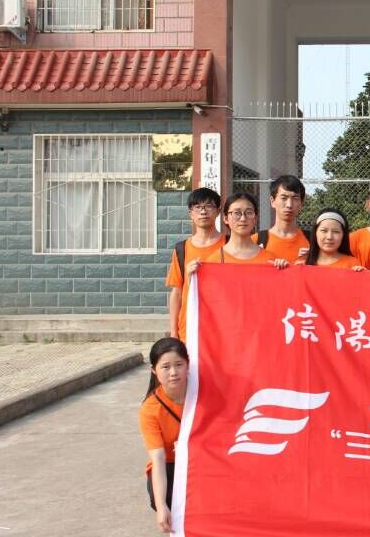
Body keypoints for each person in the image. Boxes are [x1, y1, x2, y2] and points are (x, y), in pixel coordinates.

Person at [138, 337, 189, 534]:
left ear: (188, 365)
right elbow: (158, 459)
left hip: (200, 461)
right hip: (169, 466)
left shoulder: (203, 393)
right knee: (169, 505)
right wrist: (161, 507)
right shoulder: (150, 409)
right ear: (154, 370)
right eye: (166, 367)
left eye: (179, 365)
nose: (173, 372)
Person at [165, 188, 226, 341]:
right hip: (189, 327)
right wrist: (173, 331)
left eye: (209, 206)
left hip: (222, 327)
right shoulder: (182, 249)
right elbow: (177, 292)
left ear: (218, 211)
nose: (203, 212)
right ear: (190, 213)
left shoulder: (230, 243)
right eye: (198, 207)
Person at [200, 191, 287, 267]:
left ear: (255, 219)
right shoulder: (214, 260)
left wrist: (283, 270)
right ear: (226, 219)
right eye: (236, 213)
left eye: (249, 212)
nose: (243, 218)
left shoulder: (270, 260)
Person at [253, 174, 311, 264]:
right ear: (272, 201)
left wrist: (312, 261)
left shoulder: (313, 241)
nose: (289, 205)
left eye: (295, 198)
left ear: (301, 203)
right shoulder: (256, 241)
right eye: (284, 198)